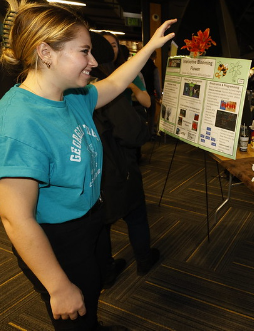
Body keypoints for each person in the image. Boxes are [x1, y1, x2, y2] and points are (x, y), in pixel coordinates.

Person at [0, 2, 176, 330]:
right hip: (56, 239)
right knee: (75, 313)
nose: (94, 62)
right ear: (46, 52)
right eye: (84, 51)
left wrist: (151, 47)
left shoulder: (72, 96)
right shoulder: (18, 119)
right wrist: (58, 286)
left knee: (92, 294)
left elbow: (115, 83)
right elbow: (16, 218)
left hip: (90, 220)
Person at [89, 32, 160, 288]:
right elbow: (133, 132)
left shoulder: (60, 89)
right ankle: (144, 260)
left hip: (89, 172)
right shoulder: (102, 87)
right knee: (135, 214)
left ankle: (106, 271)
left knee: (101, 224)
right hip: (116, 167)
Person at [101, 32, 151, 109]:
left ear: (118, 49)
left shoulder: (127, 71)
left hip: (122, 117)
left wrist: (131, 86)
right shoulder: (90, 70)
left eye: (114, 46)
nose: (110, 49)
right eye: (105, 45)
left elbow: (147, 103)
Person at [141, 50, 162, 135]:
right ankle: (150, 133)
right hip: (150, 94)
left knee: (142, 115)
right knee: (151, 115)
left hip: (139, 95)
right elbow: (157, 83)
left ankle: (142, 133)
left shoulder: (140, 66)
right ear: (154, 57)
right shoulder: (154, 68)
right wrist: (159, 95)